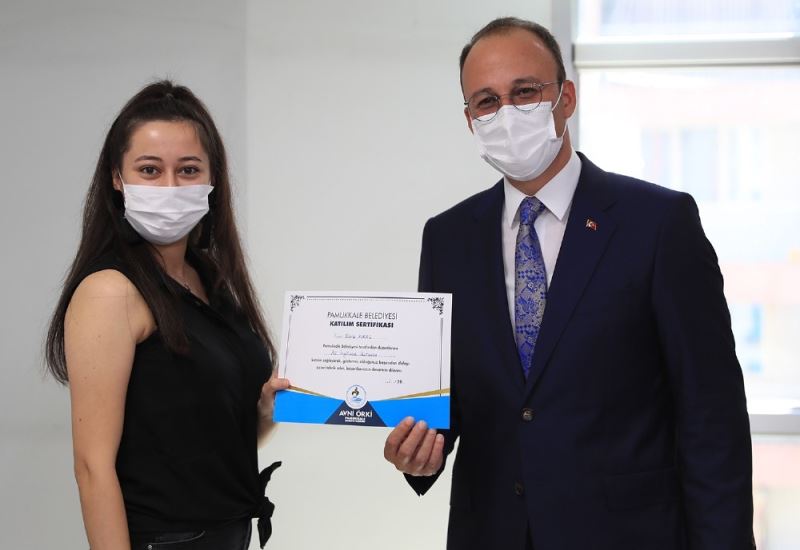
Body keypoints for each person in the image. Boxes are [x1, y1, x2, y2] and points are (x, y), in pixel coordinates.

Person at [383, 17, 754, 550]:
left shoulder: (657, 224)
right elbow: (449, 400)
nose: (506, 113)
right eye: (486, 101)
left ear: (566, 98)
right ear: (470, 120)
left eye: (524, 92)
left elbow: (711, 415)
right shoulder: (447, 238)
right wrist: (418, 452)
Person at [45, 80, 289, 550]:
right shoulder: (110, 292)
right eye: (150, 170)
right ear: (117, 178)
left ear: (212, 180)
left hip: (230, 534)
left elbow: (206, 441)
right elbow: (93, 467)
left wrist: (264, 413)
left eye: (189, 169)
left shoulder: (210, 281)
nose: (171, 187)